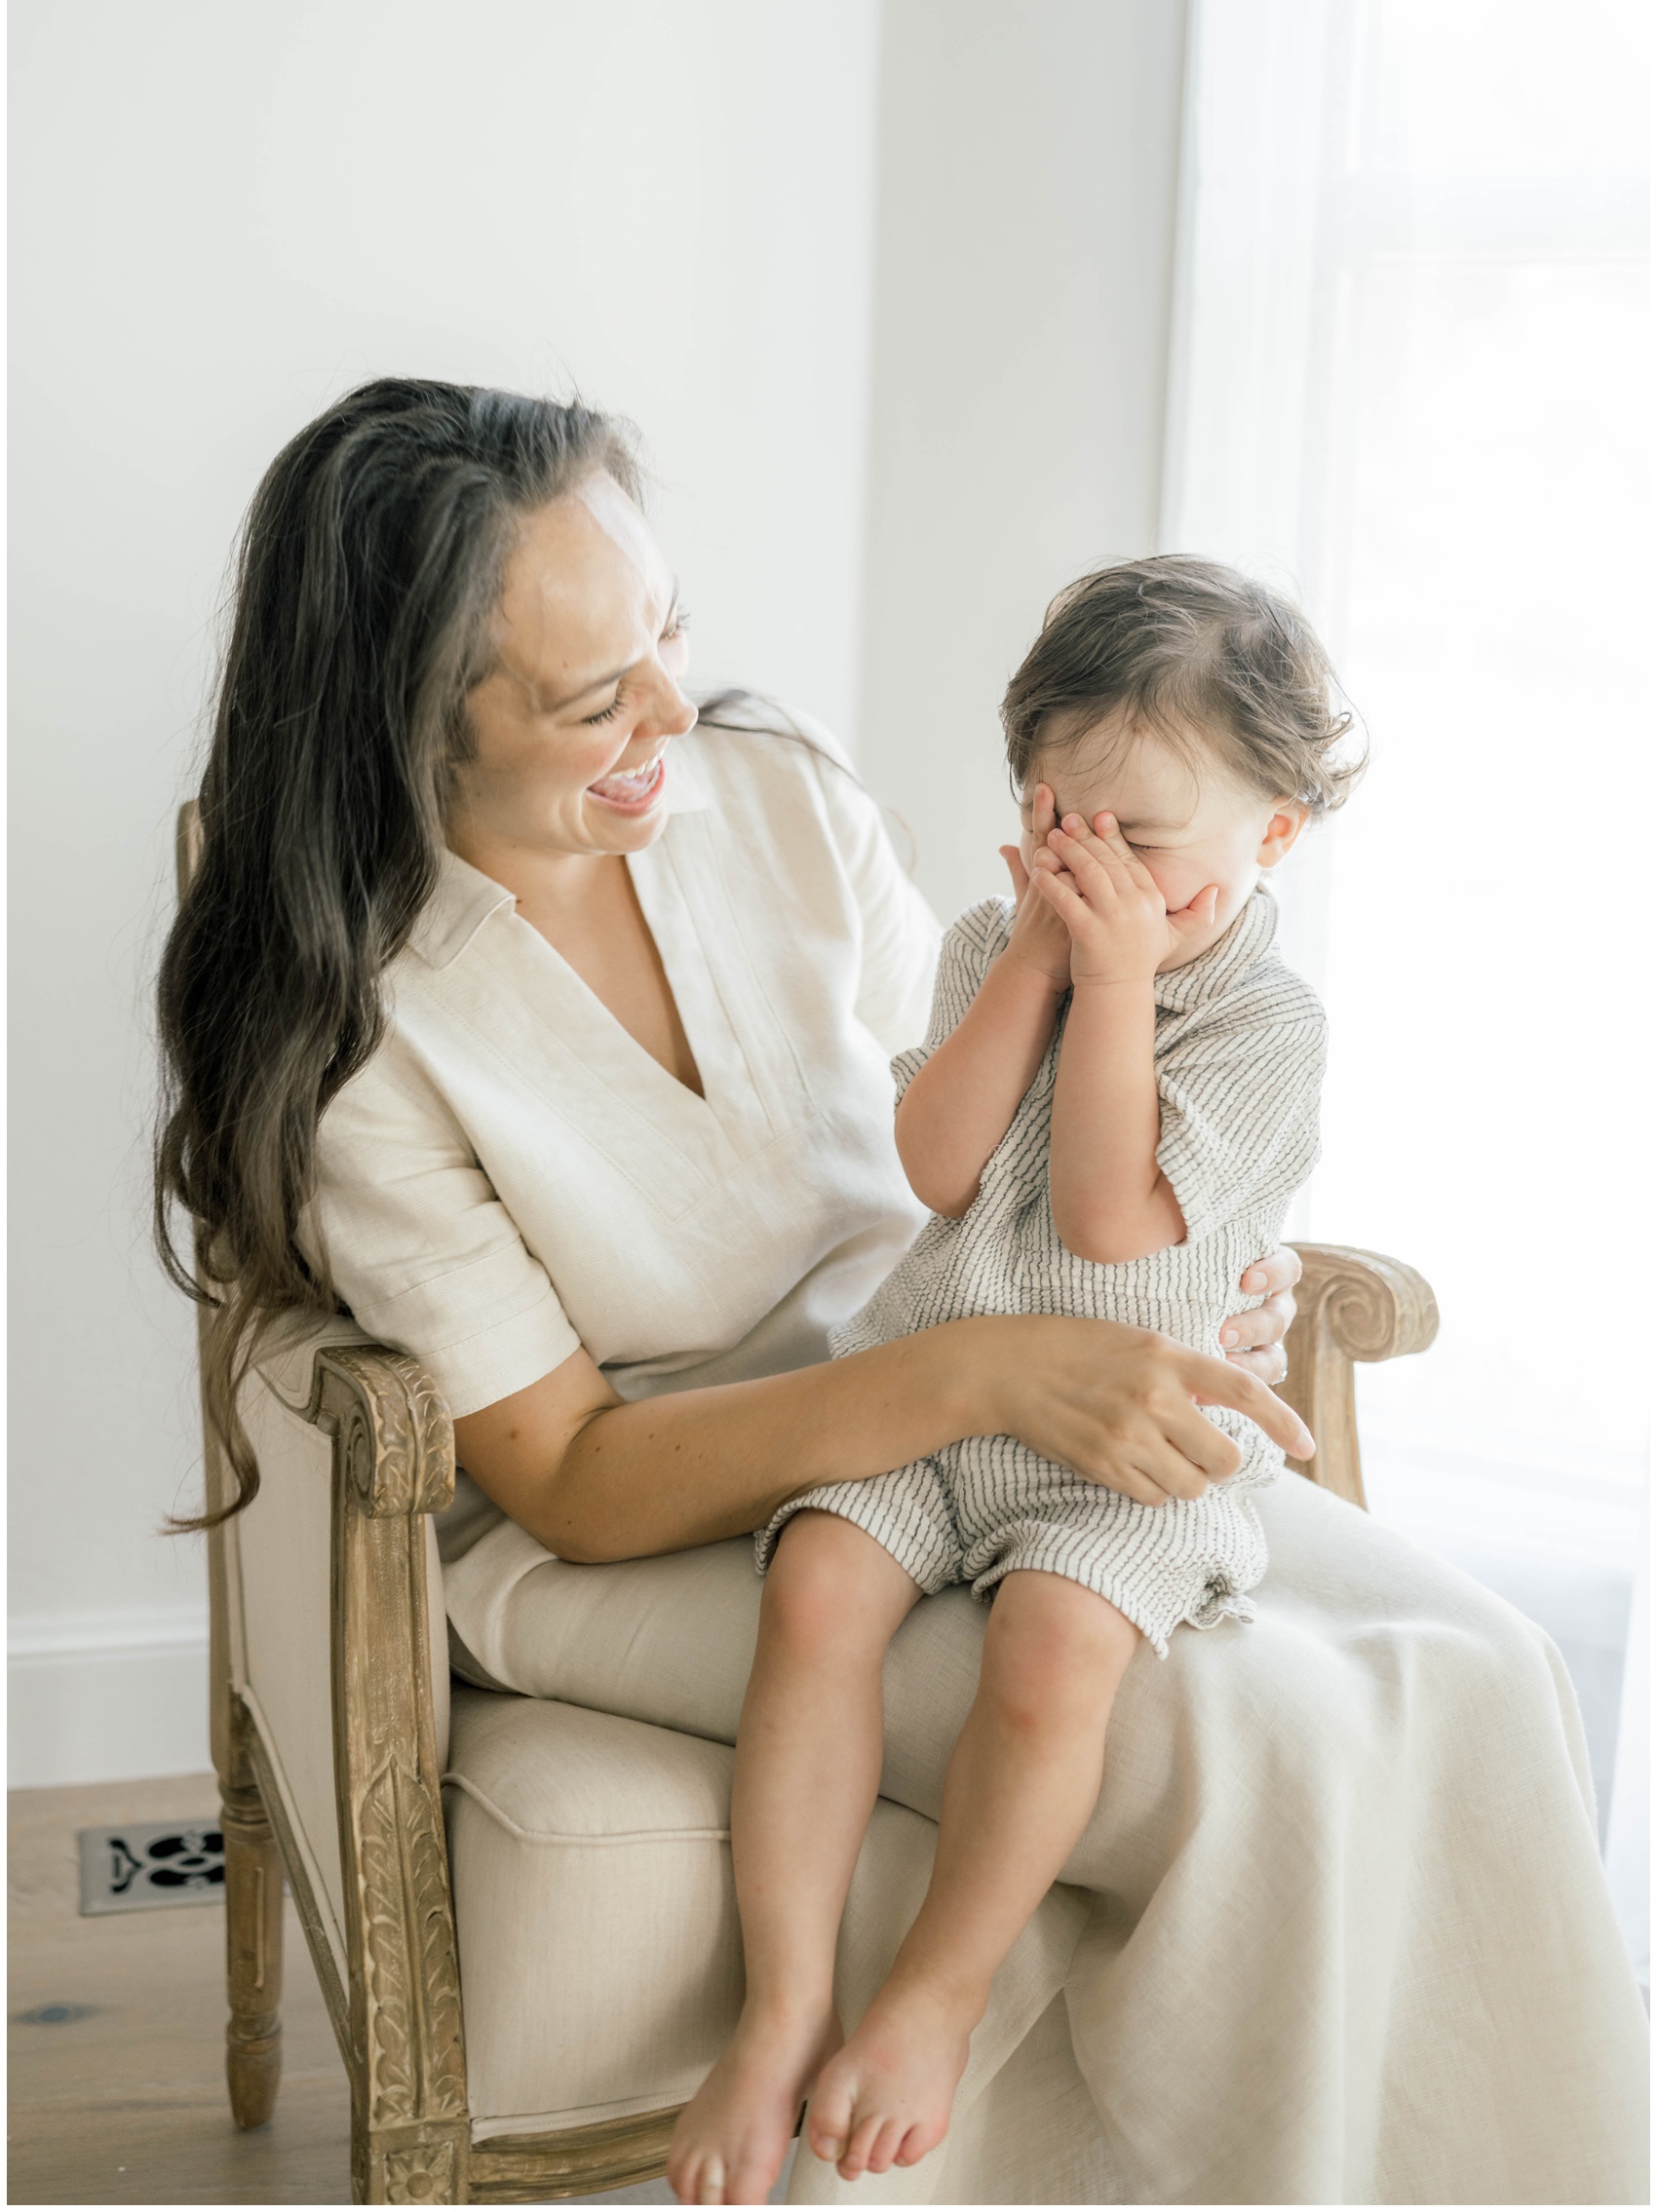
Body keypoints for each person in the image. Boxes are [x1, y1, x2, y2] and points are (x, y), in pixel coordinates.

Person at [157, 380, 1648, 2208]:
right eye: (586, 697)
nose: (671, 717)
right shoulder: (367, 1031)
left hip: (987, 1370)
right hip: (670, 1505)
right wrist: (994, 1373)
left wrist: (1180, 1277)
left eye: (669, 636)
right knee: (1248, 1742)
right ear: (410, 730)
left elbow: (989, 1124)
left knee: (1479, 1667)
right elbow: (575, 1474)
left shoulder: (769, 796)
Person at [671, 562, 1345, 2203]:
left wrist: (1111, 984)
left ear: (1274, 835)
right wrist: (1036, 966)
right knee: (817, 1583)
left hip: (1121, 1443)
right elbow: (939, 1165)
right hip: (941, 1391)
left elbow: (1115, 1229)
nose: (1090, 865)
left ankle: (935, 1991)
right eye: (1060, 814)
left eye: (1145, 840)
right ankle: (780, 2007)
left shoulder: (1266, 1022)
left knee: (1053, 1648)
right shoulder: (996, 938)